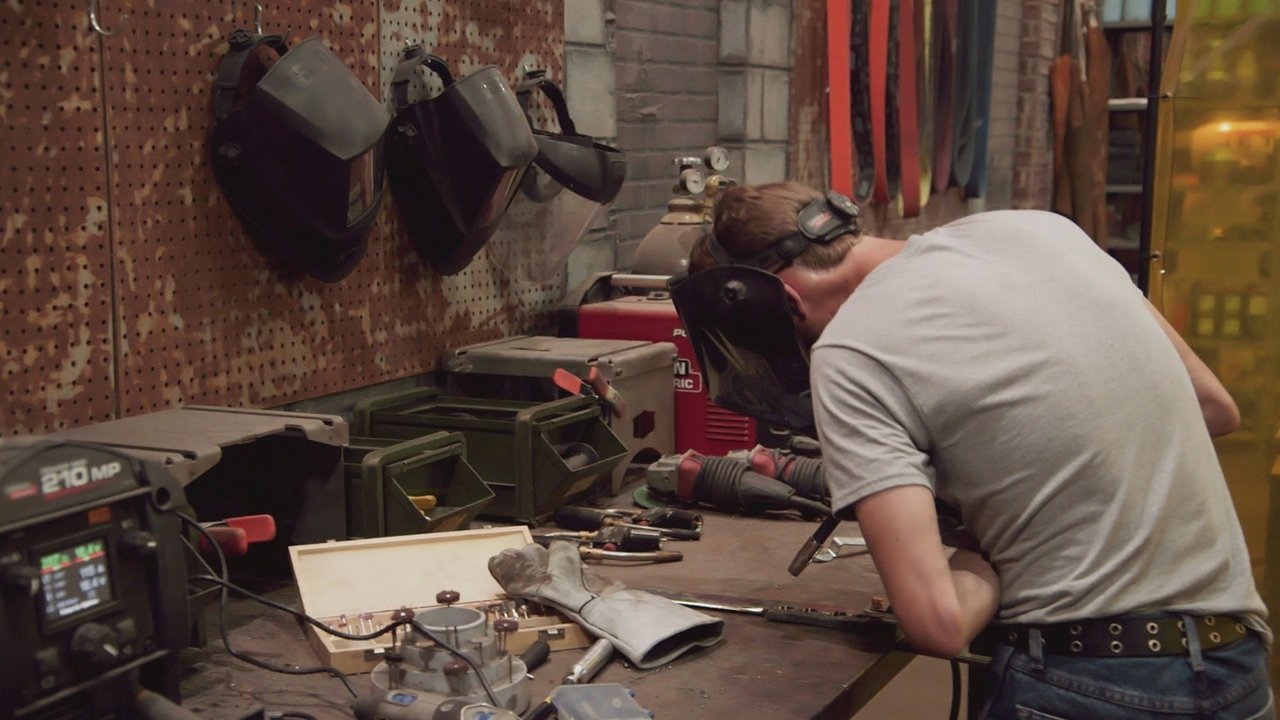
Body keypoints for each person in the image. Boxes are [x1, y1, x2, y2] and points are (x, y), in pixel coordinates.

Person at [687, 182, 1273, 719]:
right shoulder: (1045, 230)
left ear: (785, 301)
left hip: (1081, 681)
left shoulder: (850, 352)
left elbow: (939, 624)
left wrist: (984, 552)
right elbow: (1214, 408)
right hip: (1236, 660)